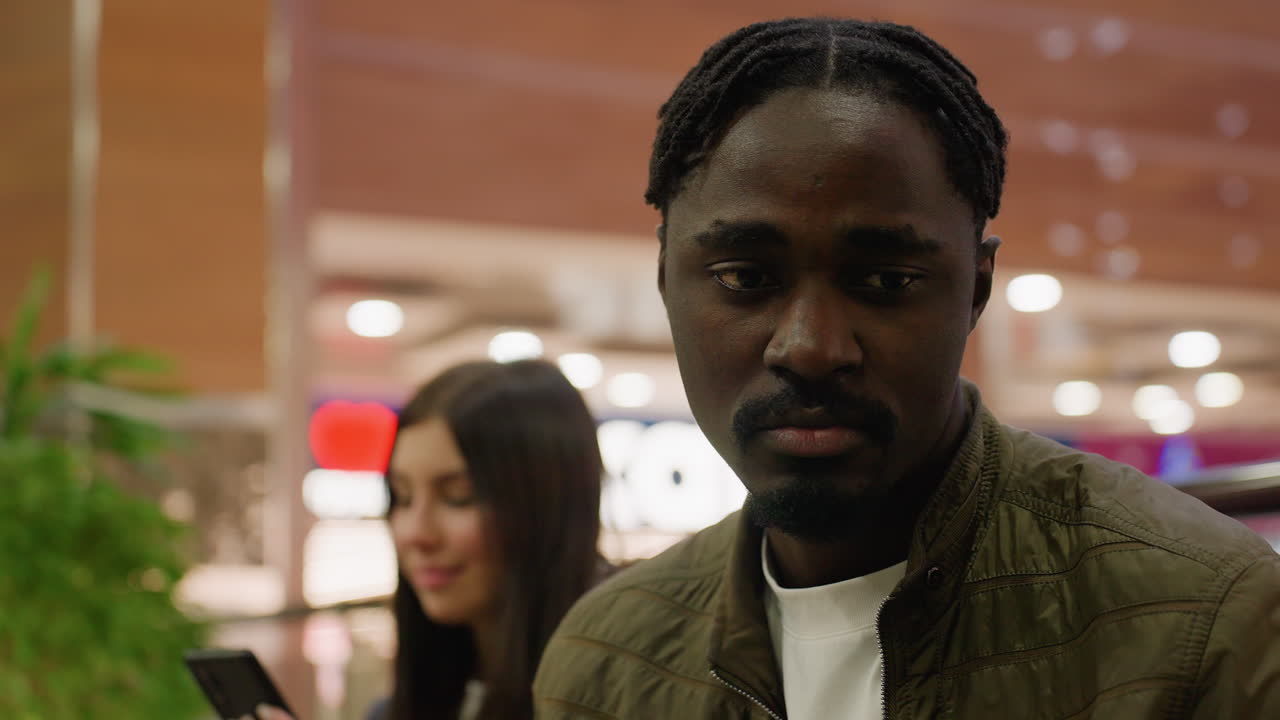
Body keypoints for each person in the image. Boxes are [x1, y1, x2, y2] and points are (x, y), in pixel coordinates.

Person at [532, 17, 1280, 719]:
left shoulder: (1205, 620)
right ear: (666, 280)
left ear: (976, 289)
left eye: (885, 281)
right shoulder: (607, 665)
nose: (812, 347)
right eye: (745, 278)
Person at [257, 359, 606, 720]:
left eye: (459, 497)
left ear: (545, 504)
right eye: (403, 497)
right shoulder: (409, 703)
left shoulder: (618, 690)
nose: (416, 533)